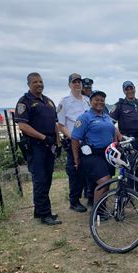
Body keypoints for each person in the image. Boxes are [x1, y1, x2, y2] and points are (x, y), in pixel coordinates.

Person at [14, 72, 62, 225]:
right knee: (40, 179)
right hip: (36, 145)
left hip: (49, 144)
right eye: (35, 82)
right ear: (29, 84)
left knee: (47, 178)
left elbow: (55, 124)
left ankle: (39, 210)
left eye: (40, 82)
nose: (39, 84)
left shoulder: (49, 102)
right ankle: (45, 214)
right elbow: (23, 125)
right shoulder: (24, 102)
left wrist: (57, 142)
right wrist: (42, 137)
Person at [71, 91, 119, 205]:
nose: (99, 102)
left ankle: (100, 206)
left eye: (102, 100)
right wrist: (76, 159)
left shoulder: (107, 117)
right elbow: (74, 138)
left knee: (106, 181)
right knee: (104, 181)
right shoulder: (84, 117)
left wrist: (116, 146)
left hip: (107, 154)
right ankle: (96, 212)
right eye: (96, 100)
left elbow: (113, 133)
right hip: (92, 154)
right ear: (90, 102)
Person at [110, 80, 138, 197]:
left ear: (134, 89)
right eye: (127, 89)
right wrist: (119, 137)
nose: (129, 91)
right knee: (127, 165)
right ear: (124, 91)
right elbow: (110, 123)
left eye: (131, 88)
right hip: (126, 140)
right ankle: (126, 191)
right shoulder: (119, 105)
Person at [57, 73, 90, 213]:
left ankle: (89, 195)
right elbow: (61, 124)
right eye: (74, 82)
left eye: (79, 82)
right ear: (69, 84)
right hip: (73, 142)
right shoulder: (64, 102)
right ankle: (74, 201)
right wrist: (73, 137)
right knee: (74, 171)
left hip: (88, 142)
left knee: (87, 170)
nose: (77, 84)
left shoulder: (87, 100)